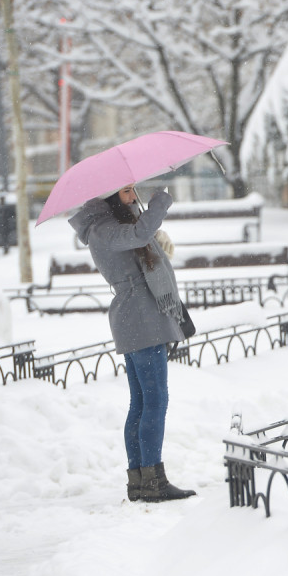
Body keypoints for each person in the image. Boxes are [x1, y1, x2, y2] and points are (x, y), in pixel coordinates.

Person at [69, 184, 195, 503]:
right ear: (109, 195)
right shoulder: (104, 228)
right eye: (125, 191)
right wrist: (161, 202)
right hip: (140, 317)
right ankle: (151, 479)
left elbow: (141, 239)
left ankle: (140, 480)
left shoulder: (113, 225)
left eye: (131, 190)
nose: (132, 195)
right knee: (154, 401)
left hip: (140, 316)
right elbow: (139, 236)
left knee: (142, 402)